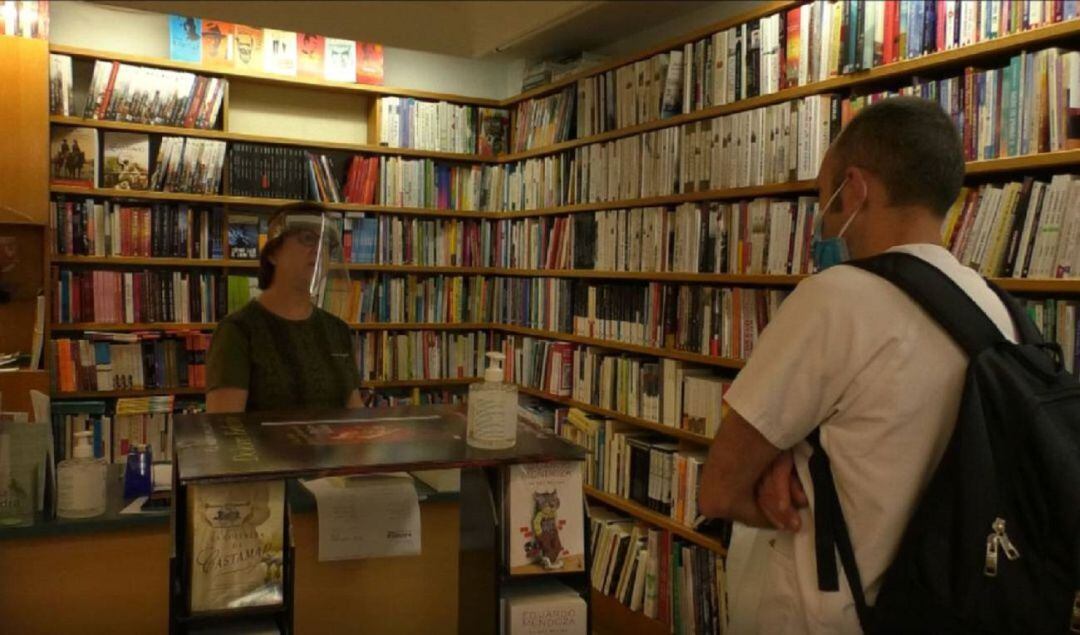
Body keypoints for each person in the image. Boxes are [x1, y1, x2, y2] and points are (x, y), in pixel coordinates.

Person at [698, 97, 1018, 633]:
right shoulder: (998, 309)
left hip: (828, 614)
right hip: (951, 608)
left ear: (856, 187)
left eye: (826, 197)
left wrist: (778, 464)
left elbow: (719, 489)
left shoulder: (836, 299)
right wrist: (796, 450)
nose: (824, 219)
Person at [206, 202, 368, 413]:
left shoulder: (337, 330)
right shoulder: (238, 331)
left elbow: (354, 414)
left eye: (326, 244)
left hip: (334, 446)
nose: (319, 251)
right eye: (308, 239)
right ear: (273, 253)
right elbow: (225, 431)